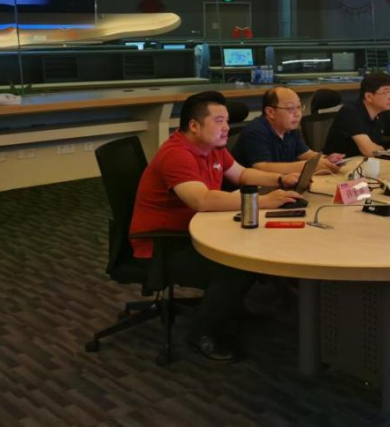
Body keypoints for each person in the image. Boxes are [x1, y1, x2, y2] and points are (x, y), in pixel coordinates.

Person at [129, 91, 303, 361]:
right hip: (164, 245)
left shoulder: (213, 148)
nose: (226, 128)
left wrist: (281, 180)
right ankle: (202, 333)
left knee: (252, 248)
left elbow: (242, 174)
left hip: (194, 231)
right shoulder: (177, 155)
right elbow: (201, 199)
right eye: (219, 121)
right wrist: (264, 202)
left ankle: (229, 308)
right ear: (194, 125)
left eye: (227, 121)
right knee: (237, 265)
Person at [231, 86, 343, 174]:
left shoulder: (290, 129)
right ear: (270, 112)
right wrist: (307, 166)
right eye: (291, 108)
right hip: (248, 192)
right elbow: (262, 168)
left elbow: (306, 154)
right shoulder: (256, 131)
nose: (297, 114)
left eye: (299, 107)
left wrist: (326, 159)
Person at [323, 73, 390, 157]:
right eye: (386, 92)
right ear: (369, 96)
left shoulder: (382, 112)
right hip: (339, 164)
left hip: (365, 162)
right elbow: (370, 151)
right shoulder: (350, 112)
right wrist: (385, 149)